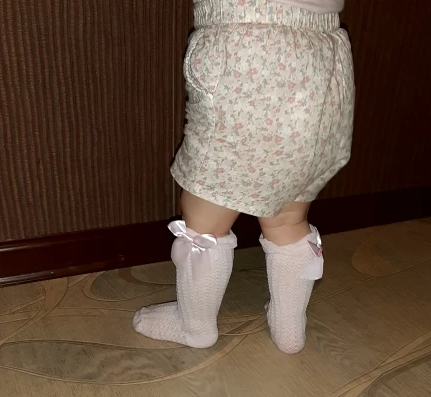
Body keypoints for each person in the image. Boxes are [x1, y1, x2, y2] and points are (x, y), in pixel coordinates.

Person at [133, 0, 354, 354]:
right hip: (324, 60)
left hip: (248, 50)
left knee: (205, 215)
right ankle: (288, 329)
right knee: (288, 215)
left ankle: (194, 326)